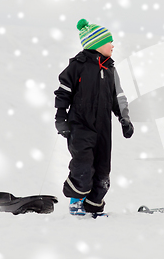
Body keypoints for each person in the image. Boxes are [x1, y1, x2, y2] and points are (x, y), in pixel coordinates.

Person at [54, 19, 134, 216]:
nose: (113, 45)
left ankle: (93, 205)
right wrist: (60, 116)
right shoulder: (78, 66)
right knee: (83, 166)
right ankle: (76, 200)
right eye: (109, 42)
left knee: (102, 171)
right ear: (97, 44)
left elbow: (119, 97)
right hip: (80, 126)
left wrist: (124, 118)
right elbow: (63, 92)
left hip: (103, 129)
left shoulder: (110, 70)